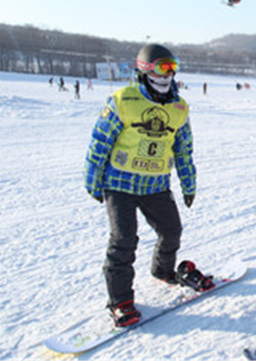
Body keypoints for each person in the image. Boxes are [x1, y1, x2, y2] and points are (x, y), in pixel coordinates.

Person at [84, 43, 211, 328]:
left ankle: (163, 270)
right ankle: (119, 301)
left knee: (171, 231)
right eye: (162, 67)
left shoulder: (179, 108)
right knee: (124, 240)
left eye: (172, 66)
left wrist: (188, 183)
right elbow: (100, 142)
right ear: (145, 69)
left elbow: (183, 149)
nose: (168, 74)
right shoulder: (123, 100)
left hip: (155, 183)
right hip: (120, 183)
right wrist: (92, 179)